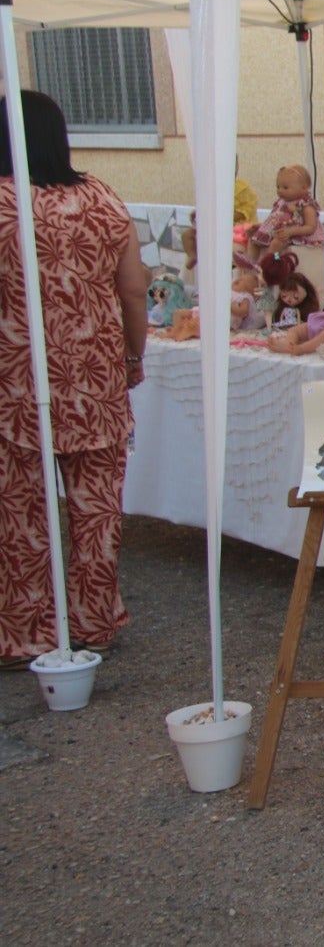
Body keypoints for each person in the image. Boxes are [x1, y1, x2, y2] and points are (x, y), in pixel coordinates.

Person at [0, 90, 145, 666]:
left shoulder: (5, 204)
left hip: (17, 382)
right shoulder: (102, 198)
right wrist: (134, 357)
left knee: (21, 515)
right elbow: (133, 289)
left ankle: (28, 633)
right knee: (96, 508)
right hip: (97, 376)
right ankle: (95, 619)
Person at [248, 163, 324, 260]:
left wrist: (290, 231)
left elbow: (310, 227)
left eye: (285, 187)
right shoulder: (281, 203)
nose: (280, 190)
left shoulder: (305, 205)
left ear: (304, 188)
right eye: (278, 187)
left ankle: (272, 262)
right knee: (253, 240)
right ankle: (251, 264)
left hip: (296, 235)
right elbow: (274, 219)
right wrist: (261, 226)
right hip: (278, 232)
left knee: (276, 244)